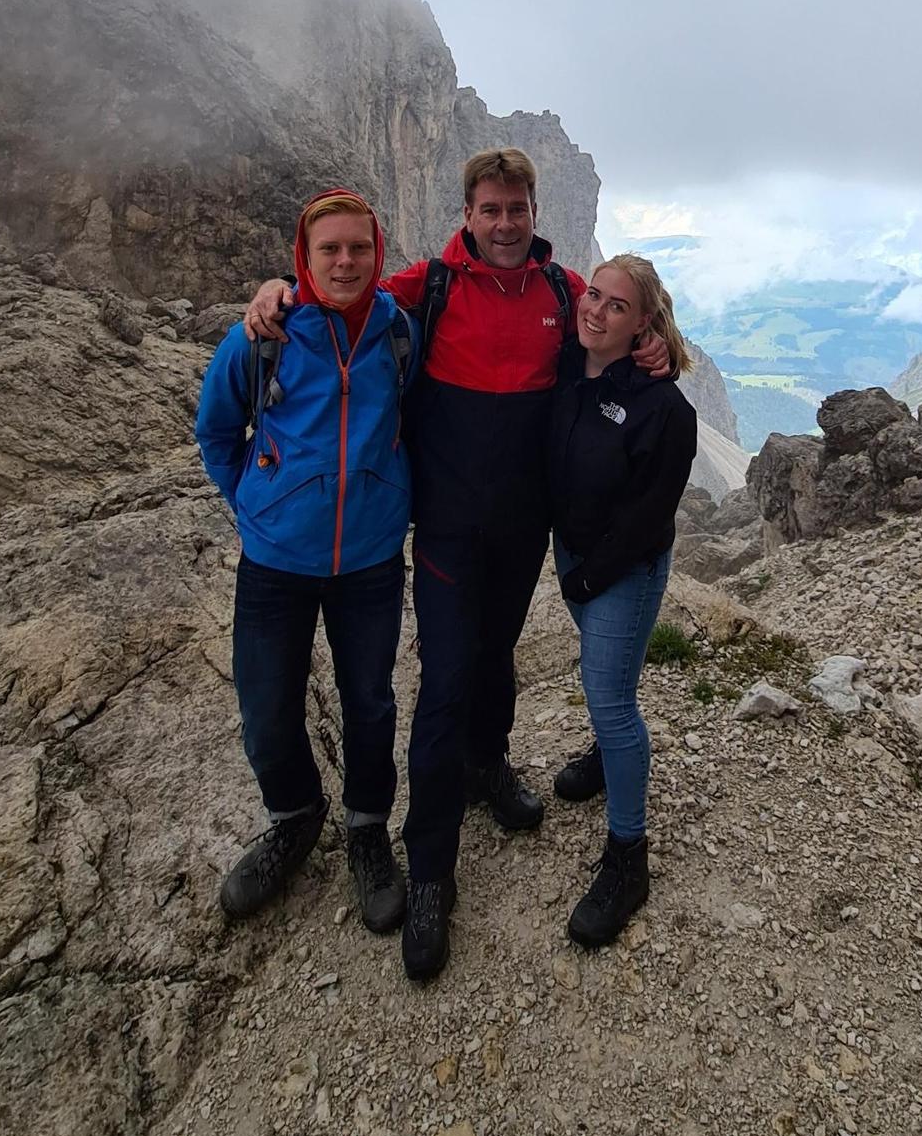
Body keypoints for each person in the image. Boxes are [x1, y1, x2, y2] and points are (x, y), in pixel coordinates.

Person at [244, 149, 670, 980]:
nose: (505, 223)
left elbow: (616, 333)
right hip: (444, 531)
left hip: (522, 529)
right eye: (490, 209)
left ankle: (487, 763)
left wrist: (653, 347)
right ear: (467, 214)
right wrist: (277, 290)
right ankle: (432, 871)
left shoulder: (564, 295)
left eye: (517, 208)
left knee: (495, 655)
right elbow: (342, 294)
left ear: (535, 211)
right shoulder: (428, 287)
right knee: (443, 683)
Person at [196, 189, 418, 933]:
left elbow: (412, 418)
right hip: (275, 560)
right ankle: (293, 817)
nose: (345, 261)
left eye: (359, 247)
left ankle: (367, 830)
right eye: (330, 249)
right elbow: (216, 430)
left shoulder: (399, 333)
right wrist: (257, 502)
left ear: (376, 253)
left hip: (370, 558)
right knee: (266, 705)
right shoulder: (264, 335)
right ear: (305, 257)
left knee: (370, 702)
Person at [548, 254, 697, 946]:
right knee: (606, 681)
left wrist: (588, 577)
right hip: (574, 553)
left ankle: (628, 857)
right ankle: (609, 759)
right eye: (593, 295)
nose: (596, 311)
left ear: (643, 325)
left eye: (617, 306)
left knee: (610, 699)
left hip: (622, 569)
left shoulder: (664, 408)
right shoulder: (566, 363)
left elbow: (647, 517)